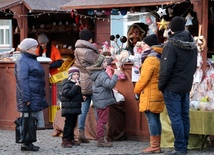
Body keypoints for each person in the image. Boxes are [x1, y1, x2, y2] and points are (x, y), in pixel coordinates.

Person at [158, 16, 197, 155]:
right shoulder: (193, 43)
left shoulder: (171, 45)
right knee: (184, 116)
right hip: (186, 85)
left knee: (176, 117)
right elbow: (194, 66)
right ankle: (183, 145)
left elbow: (165, 69)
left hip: (172, 86)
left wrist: (161, 86)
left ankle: (180, 147)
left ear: (172, 29)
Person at [14, 38, 49, 151]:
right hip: (29, 95)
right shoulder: (22, 60)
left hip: (34, 94)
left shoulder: (30, 59)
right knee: (26, 120)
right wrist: (26, 97)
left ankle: (29, 142)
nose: (36, 49)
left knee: (31, 120)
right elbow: (22, 80)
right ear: (28, 49)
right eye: (34, 47)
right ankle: (25, 143)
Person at [134, 34, 164, 153]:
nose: (143, 46)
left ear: (150, 46)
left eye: (145, 44)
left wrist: (136, 90)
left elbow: (144, 79)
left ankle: (155, 146)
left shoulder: (150, 59)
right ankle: (157, 145)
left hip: (150, 94)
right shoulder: (159, 56)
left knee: (152, 119)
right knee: (156, 119)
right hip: (157, 93)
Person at [74, 29, 104, 143]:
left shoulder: (77, 49)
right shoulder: (87, 52)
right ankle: (100, 136)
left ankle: (81, 133)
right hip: (91, 79)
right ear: (89, 39)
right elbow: (97, 63)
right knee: (97, 107)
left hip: (83, 80)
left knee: (84, 108)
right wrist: (102, 56)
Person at [86, 56, 120, 147]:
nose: (107, 64)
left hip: (99, 99)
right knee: (102, 120)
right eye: (105, 62)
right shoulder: (102, 74)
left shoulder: (96, 73)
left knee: (100, 119)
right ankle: (100, 140)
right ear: (100, 64)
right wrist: (116, 75)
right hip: (103, 100)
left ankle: (101, 139)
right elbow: (110, 84)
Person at [60, 66, 84, 148]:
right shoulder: (67, 83)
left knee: (73, 124)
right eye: (74, 74)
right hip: (68, 108)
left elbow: (76, 96)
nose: (76, 76)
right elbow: (67, 94)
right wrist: (75, 87)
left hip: (75, 107)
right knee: (68, 124)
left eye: (77, 74)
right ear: (70, 75)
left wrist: (82, 98)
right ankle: (65, 139)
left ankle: (71, 138)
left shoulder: (76, 84)